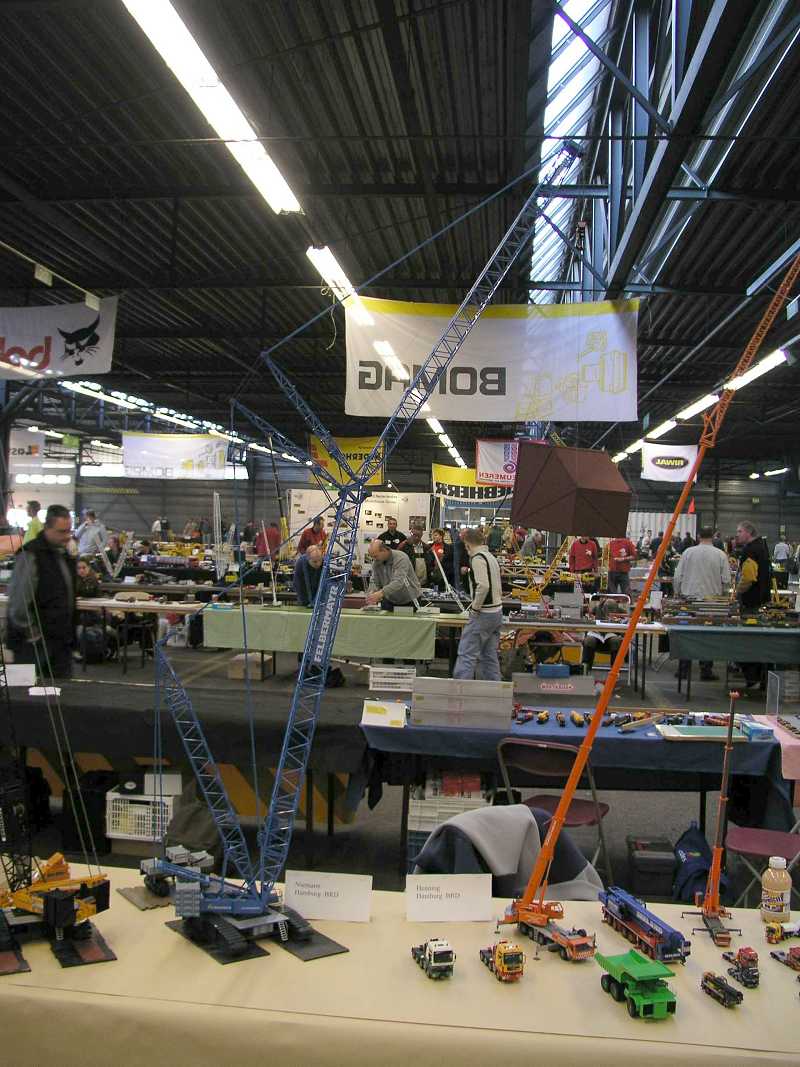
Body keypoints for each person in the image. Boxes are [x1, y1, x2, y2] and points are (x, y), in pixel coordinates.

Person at [6, 504, 76, 678]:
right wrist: (33, 634)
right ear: (47, 528)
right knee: (24, 692)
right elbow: (19, 604)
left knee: (62, 692)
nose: (67, 536)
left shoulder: (63, 555)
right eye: (62, 531)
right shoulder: (30, 554)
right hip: (31, 647)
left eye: (69, 531)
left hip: (59, 645)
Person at [673, 525, 731, 681]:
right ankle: (706, 670)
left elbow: (677, 576)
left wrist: (677, 593)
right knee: (707, 636)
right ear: (713, 537)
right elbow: (726, 580)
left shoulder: (688, 552)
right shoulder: (720, 555)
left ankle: (683, 669)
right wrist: (724, 598)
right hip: (711, 602)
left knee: (686, 634)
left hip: (689, 600)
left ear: (698, 536)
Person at [452, 527, 503, 680]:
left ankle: (460, 690)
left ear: (467, 545)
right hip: (496, 613)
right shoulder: (490, 557)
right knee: (489, 655)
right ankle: (495, 689)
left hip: (483, 614)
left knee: (466, 653)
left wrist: (474, 608)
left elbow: (483, 586)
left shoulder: (477, 558)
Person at [735, 520, 772, 689]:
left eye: (739, 531)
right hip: (761, 599)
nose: (737, 535)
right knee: (759, 639)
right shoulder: (762, 547)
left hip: (750, 602)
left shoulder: (750, 550)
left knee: (747, 641)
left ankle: (753, 677)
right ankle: (761, 677)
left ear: (748, 532)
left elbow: (749, 577)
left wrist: (738, 591)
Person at [365, 539, 421, 610]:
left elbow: (398, 582)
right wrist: (372, 592)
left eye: (375, 556)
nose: (374, 559)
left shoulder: (401, 558)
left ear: (384, 550)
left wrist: (381, 593)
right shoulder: (376, 562)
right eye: (372, 557)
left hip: (410, 600)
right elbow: (374, 580)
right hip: (390, 600)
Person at [582, 596, 624, 672]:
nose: (609, 613)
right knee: (589, 640)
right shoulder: (597, 608)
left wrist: (620, 620)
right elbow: (587, 615)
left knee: (616, 641)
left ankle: (614, 670)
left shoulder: (621, 611)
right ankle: (585, 668)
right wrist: (590, 616)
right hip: (597, 635)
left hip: (612, 635)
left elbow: (627, 621)